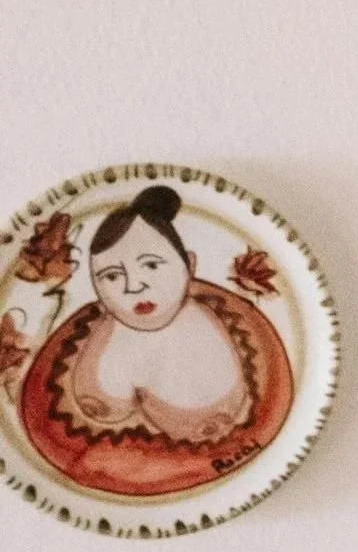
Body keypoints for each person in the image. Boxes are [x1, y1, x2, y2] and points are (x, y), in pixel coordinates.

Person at [17, 184, 293, 497]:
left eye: (150, 265)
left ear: (189, 265)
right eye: (111, 275)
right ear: (97, 289)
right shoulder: (73, 350)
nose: (134, 286)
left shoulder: (244, 337)